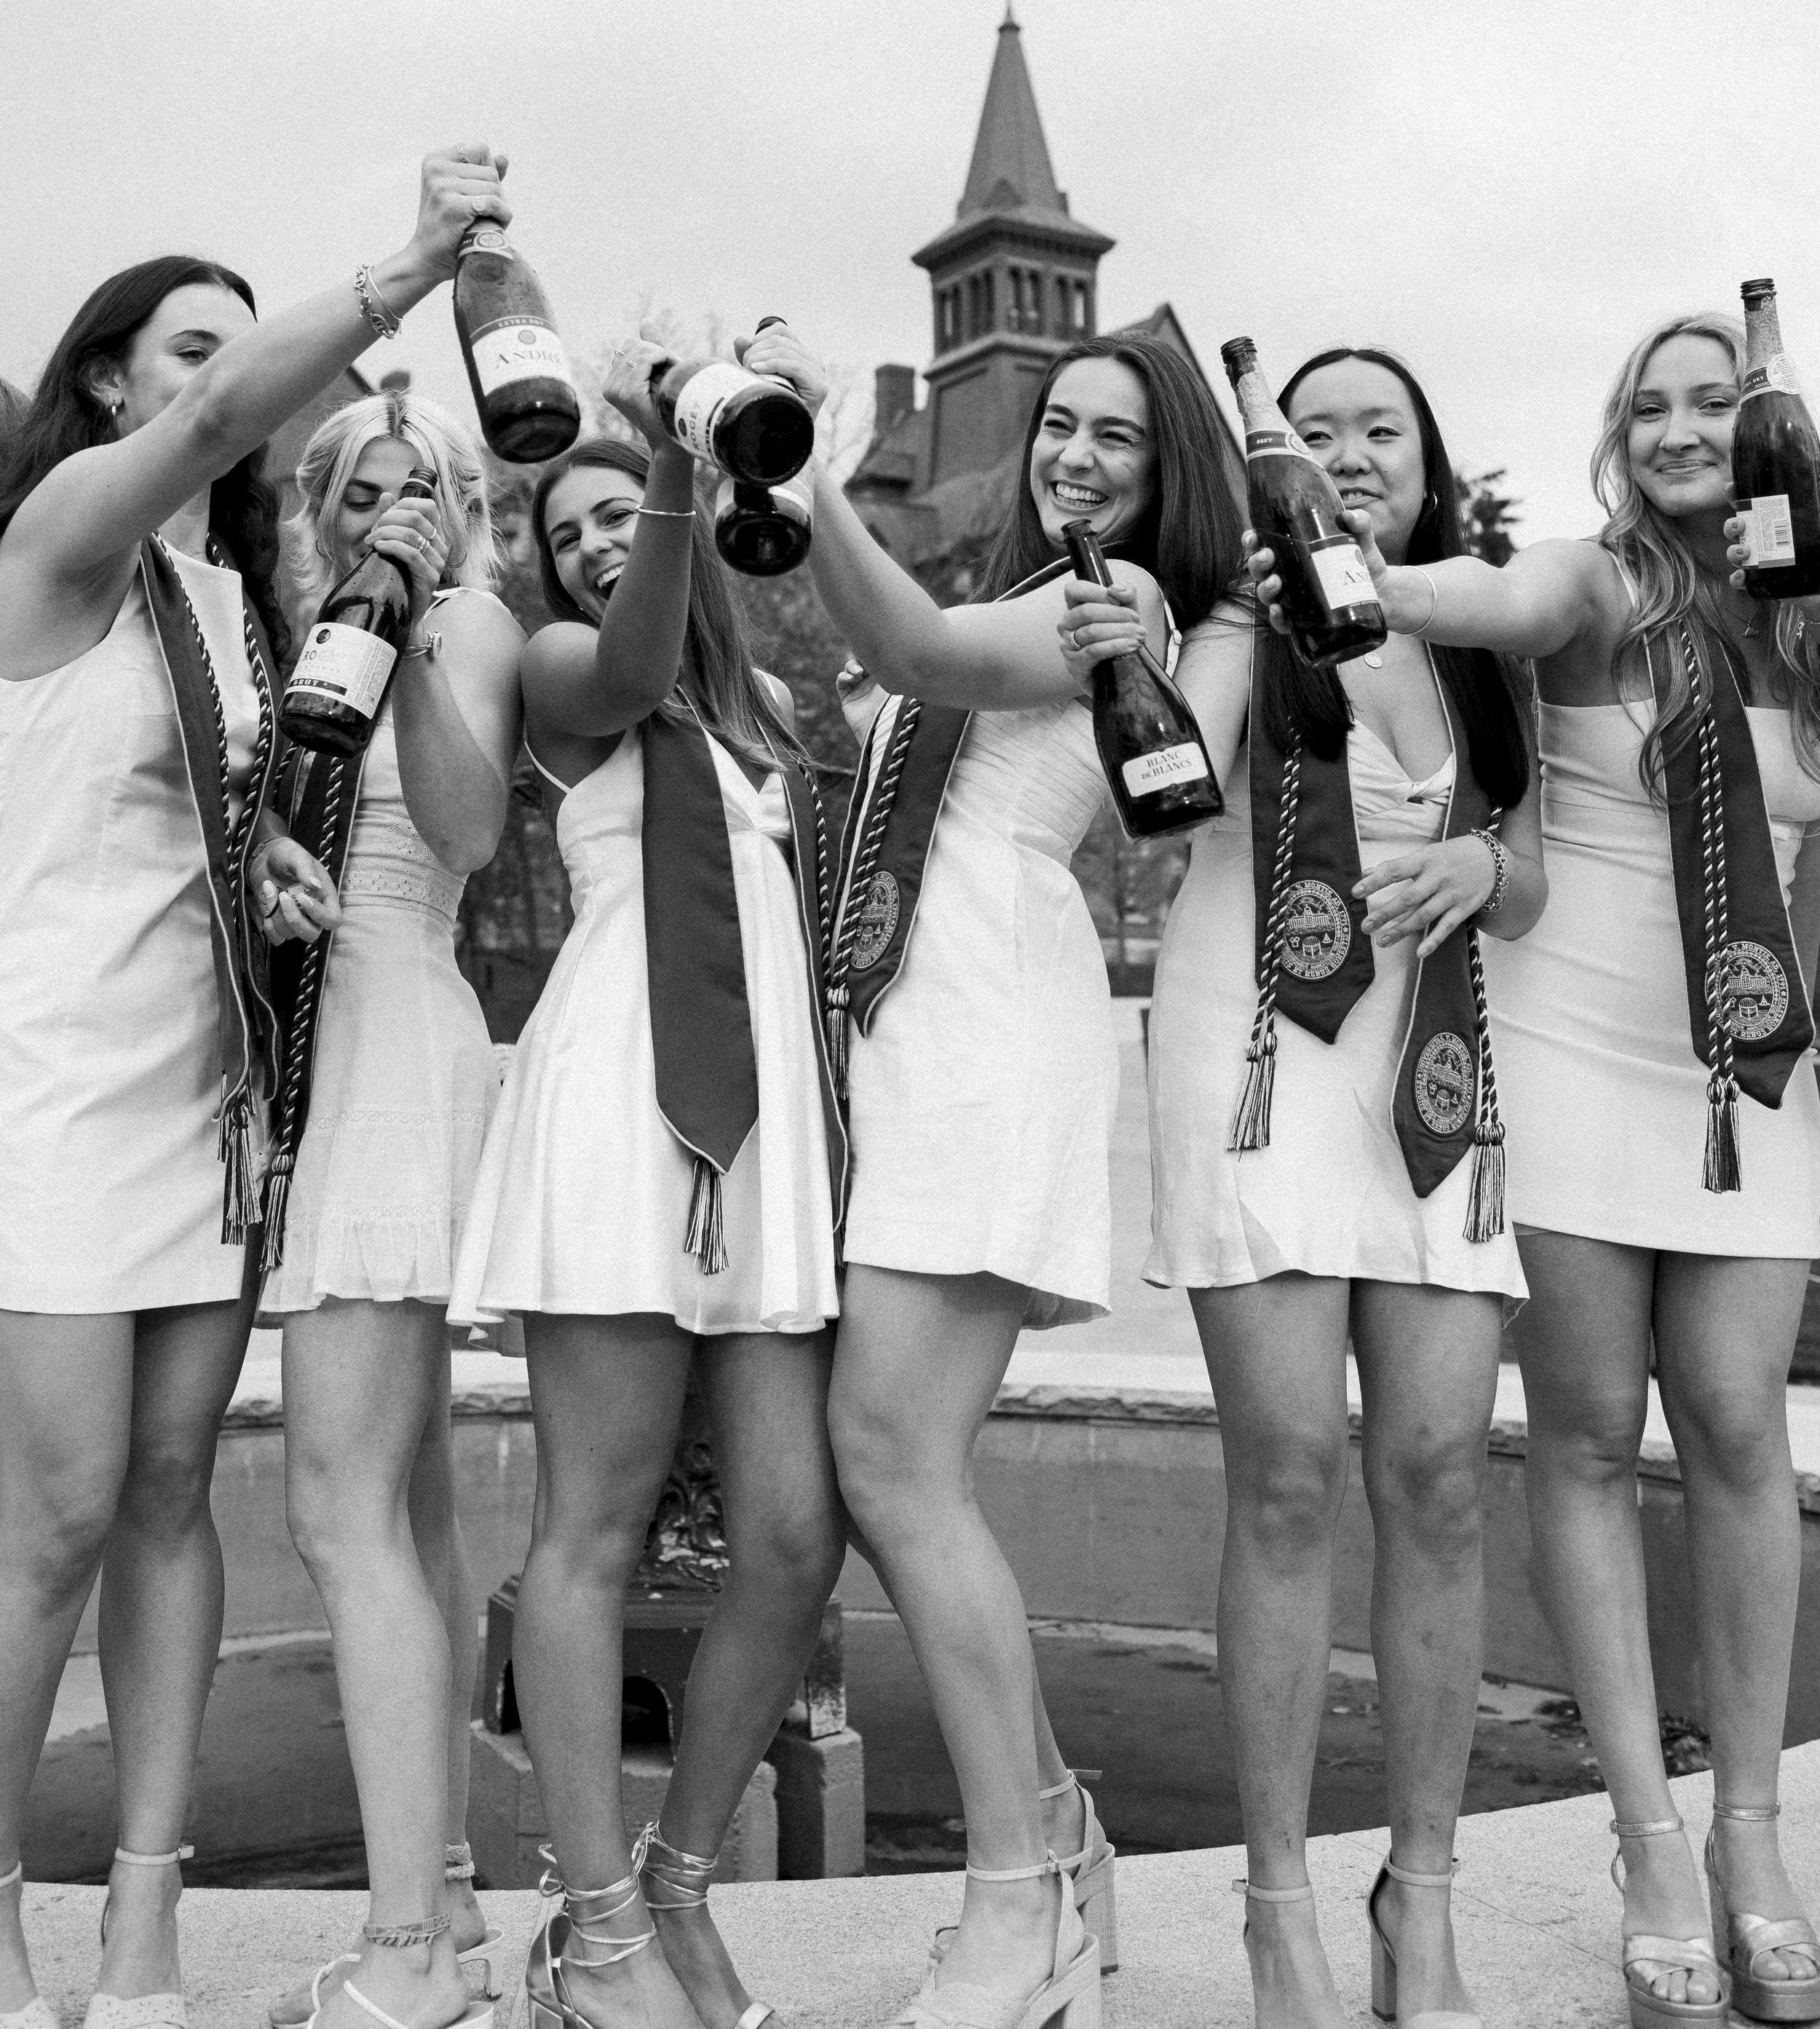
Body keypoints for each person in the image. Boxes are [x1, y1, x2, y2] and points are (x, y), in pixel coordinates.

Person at [1252, 313, 1820, 2029]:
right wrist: (1346, 566)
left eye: (1708, 401)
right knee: (1579, 1439)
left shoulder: (1804, 619)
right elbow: (1469, 602)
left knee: (1735, 1427)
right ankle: (1642, 1835)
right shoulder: (1593, 589)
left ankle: (1749, 1839)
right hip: (1569, 1047)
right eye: (1641, 405)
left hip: (1745, 1059)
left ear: (1765, 424)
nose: (1672, 427)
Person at [0, 150, 506, 2029]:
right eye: (194, 352)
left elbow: (202, 832)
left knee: (163, 1494)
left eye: (239, 343)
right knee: (45, 1515)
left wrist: (268, 873)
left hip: (209, 1098)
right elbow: (236, 405)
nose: (229, 380)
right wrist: (402, 279)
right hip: (53, 1084)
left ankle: (144, 1917)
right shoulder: (61, 534)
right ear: (120, 382)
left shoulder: (235, 603)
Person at [751, 321, 1238, 2029]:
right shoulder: (1042, 588)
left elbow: (919, 644)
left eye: (1116, 435)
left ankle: (1011, 1894)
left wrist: (793, 465)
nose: (1074, 455)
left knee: (893, 1462)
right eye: (1057, 425)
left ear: (1166, 469)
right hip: (900, 1042)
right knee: (882, 1469)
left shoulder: (1112, 612)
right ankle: (1062, 1841)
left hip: (982, 1038)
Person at [1068, 347, 1543, 2029]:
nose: (1345, 455)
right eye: (1314, 431)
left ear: (1424, 464)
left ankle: (1420, 1901)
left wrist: (1487, 862)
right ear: (1273, 461)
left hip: (1428, 1080)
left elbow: (1529, 860)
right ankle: (1274, 1909)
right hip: (1254, 1053)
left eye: (1378, 431)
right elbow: (1151, 810)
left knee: (1435, 1476)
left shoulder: (1480, 644)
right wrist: (1185, 642)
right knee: (1282, 1476)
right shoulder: (1225, 622)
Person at [448, 363, 847, 2029]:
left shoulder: (759, 723)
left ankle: (678, 1877)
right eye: (577, 526)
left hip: (762, 1153)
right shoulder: (563, 677)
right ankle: (593, 1917)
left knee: (791, 1537)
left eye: (631, 509)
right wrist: (681, 475)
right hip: (618, 1114)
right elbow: (622, 660)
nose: (608, 538)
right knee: (590, 1530)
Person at [260, 391, 525, 2029]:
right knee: (410, 1514)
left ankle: (406, 1956)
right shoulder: (297, 629)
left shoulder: (475, 623)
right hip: (317, 1044)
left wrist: (417, 625)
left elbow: (471, 827)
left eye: (420, 488)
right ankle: (450, 1908)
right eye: (365, 489)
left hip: (391, 1050)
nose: (392, 510)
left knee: (336, 1510)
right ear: (321, 503)